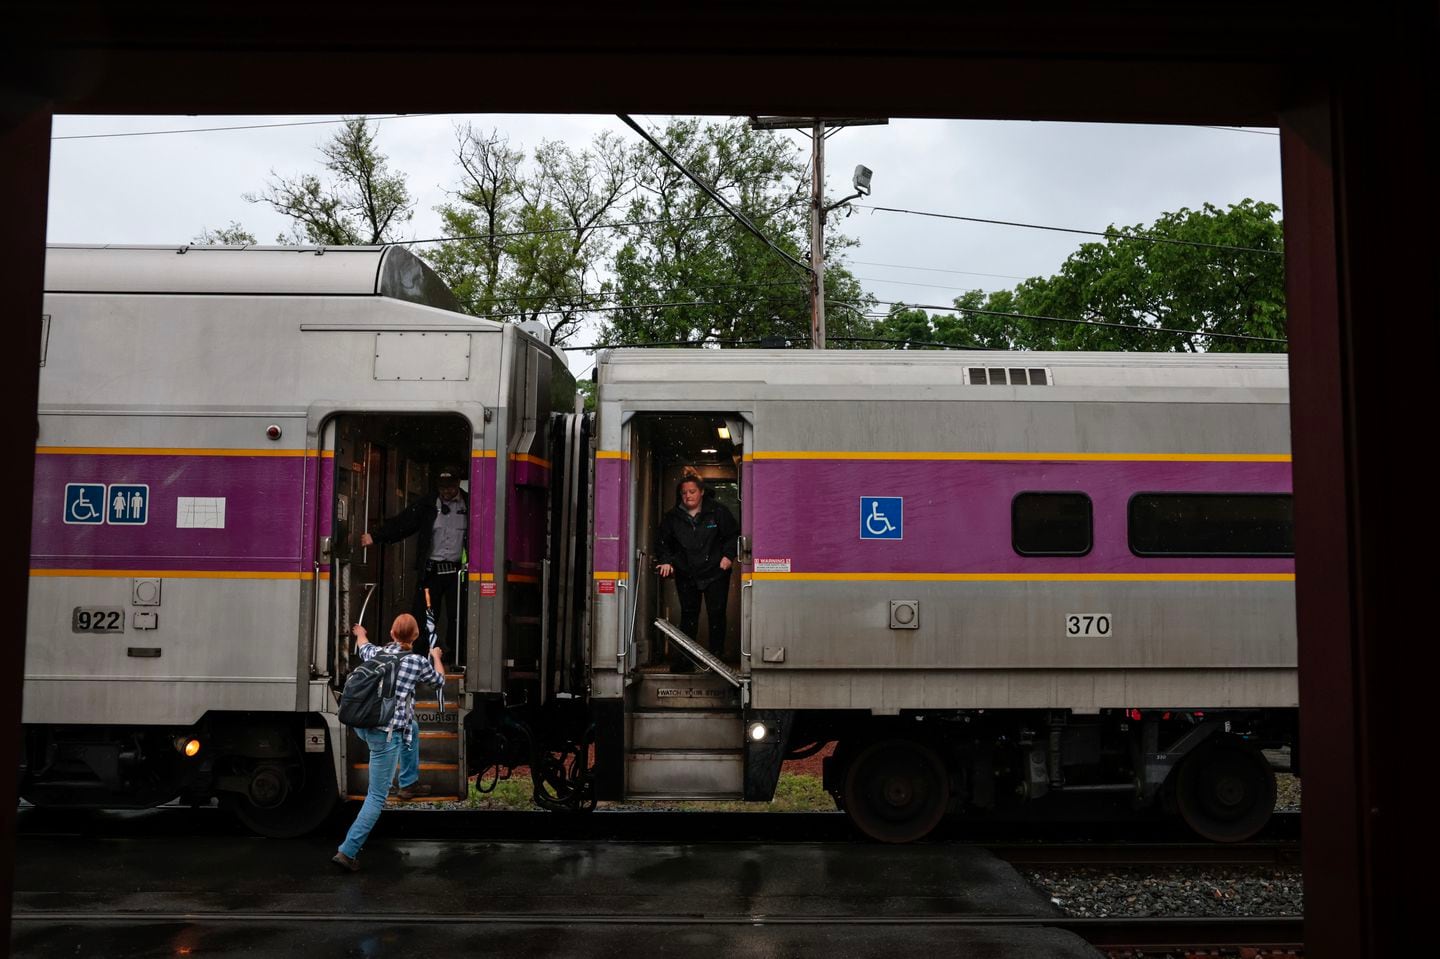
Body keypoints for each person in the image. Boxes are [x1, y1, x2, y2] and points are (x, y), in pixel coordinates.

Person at [332, 614, 445, 872]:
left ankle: (408, 783)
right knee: (376, 796)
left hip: (363, 725)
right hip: (385, 735)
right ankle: (347, 852)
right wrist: (436, 656)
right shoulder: (417, 662)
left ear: (392, 634)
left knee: (412, 726)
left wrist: (360, 632)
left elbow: (363, 644)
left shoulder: (377, 654)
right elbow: (439, 681)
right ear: (415, 637)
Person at [360, 465, 467, 661]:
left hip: (457, 573)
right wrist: (376, 536)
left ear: (458, 484)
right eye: (442, 488)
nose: (446, 492)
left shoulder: (469, 504)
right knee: (424, 616)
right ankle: (419, 657)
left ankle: (457, 658)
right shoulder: (428, 504)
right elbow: (404, 523)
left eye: (450, 487)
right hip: (431, 571)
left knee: (459, 616)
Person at [656, 468, 739, 666]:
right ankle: (686, 661)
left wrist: (728, 556)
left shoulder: (718, 511)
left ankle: (716, 659)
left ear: (701, 492)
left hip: (716, 573)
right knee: (688, 616)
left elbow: (733, 535)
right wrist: (666, 560)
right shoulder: (672, 517)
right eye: (684, 492)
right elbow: (662, 542)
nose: (688, 496)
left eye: (692, 491)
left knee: (717, 615)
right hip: (687, 573)